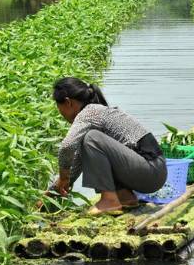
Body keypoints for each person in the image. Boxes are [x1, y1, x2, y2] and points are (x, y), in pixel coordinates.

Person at [49, 77, 167, 215]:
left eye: (59, 107)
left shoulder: (89, 113)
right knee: (90, 139)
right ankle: (125, 197)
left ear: (68, 102)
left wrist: (64, 177)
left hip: (150, 170)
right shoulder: (95, 114)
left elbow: (67, 147)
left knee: (91, 137)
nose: (60, 114)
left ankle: (109, 201)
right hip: (152, 172)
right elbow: (77, 163)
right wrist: (52, 193)